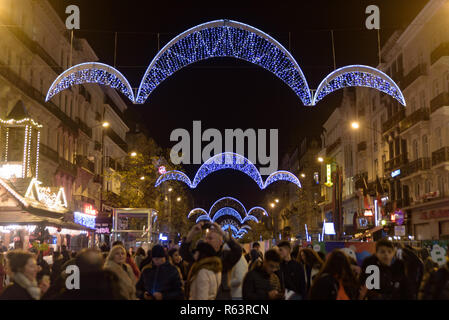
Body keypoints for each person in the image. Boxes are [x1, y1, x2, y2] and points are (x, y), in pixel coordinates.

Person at [180, 222, 242, 299]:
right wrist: (191, 234)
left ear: (220, 241)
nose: (206, 241)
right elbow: (184, 253)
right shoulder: (200, 256)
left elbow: (238, 250)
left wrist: (223, 233)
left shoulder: (223, 257)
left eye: (210, 238)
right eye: (206, 238)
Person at [44, 248, 125, 300]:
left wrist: (60, 279)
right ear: (102, 265)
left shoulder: (72, 291)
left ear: (78, 266)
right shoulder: (112, 288)